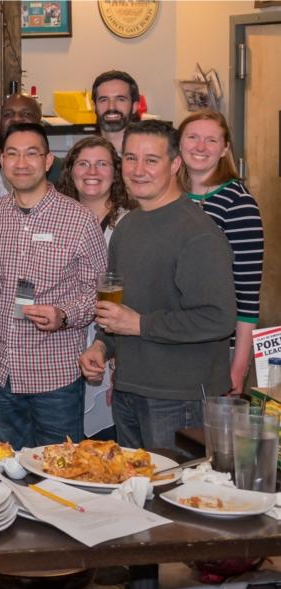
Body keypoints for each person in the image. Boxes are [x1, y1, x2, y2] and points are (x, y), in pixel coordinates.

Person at [80, 120, 235, 452]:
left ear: (175, 164)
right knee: (134, 485)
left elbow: (219, 318)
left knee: (173, 486)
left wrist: (140, 324)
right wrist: (103, 346)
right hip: (128, 390)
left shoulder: (198, 233)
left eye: (151, 160)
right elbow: (121, 310)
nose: (138, 170)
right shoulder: (127, 226)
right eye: (130, 158)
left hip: (179, 398)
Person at [0, 123, 105, 451]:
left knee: (59, 471)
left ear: (48, 161)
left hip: (54, 375)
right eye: (12, 154)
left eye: (31, 154)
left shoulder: (79, 219)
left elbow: (98, 291)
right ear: (2, 162)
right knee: (4, 469)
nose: (21, 163)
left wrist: (65, 314)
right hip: (0, 371)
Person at [54, 135, 137, 439]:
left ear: (115, 172)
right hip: (61, 349)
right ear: (70, 171)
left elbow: (138, 296)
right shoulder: (56, 220)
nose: (92, 172)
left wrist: (115, 356)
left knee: (104, 442)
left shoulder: (131, 223)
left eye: (102, 164)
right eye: (83, 164)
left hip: (113, 347)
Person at [178, 111, 266, 395]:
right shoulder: (169, 197)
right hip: (174, 343)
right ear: (179, 143)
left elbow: (247, 295)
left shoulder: (238, 204)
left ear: (225, 148)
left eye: (211, 140)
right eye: (193, 137)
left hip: (219, 348)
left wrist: (238, 368)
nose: (200, 147)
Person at [0, 94, 64, 193]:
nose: (16, 119)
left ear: (40, 124)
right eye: (8, 114)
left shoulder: (62, 172)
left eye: (26, 114)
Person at [92, 70, 140, 151]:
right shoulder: (83, 156)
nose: (111, 107)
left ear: (134, 107)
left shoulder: (148, 155)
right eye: (104, 100)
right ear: (94, 107)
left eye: (120, 99)